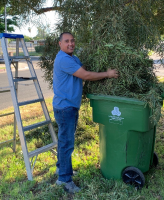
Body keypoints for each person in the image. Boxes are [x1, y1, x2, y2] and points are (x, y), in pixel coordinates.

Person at [53, 32, 118, 193]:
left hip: (69, 106)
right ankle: (64, 180)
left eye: (72, 41)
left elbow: (83, 69)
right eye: (66, 41)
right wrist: (108, 74)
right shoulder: (63, 59)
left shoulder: (73, 59)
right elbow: (86, 75)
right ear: (59, 44)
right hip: (65, 107)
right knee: (66, 143)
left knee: (65, 141)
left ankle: (62, 169)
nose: (70, 44)